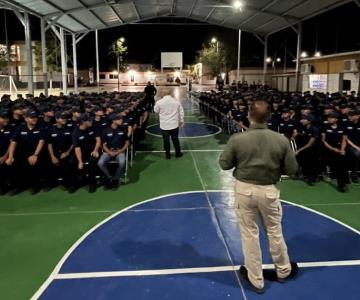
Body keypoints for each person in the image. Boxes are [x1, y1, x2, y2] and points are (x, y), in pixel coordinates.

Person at [219, 99, 299, 294]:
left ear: (249, 116)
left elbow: (224, 164)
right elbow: (293, 169)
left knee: (249, 234)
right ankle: (283, 270)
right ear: (269, 117)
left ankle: (256, 279)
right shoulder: (281, 139)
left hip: (244, 189)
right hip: (269, 190)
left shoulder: (238, 139)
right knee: (274, 230)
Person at [6, 110, 46, 194]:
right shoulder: (20, 128)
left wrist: (35, 155)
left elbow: (41, 141)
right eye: (32, 118)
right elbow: (13, 143)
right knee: (14, 165)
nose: (34, 119)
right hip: (22, 154)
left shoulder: (40, 127)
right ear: (26, 119)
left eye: (35, 117)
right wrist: (10, 156)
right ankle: (19, 186)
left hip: (36, 153)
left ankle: (35, 186)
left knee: (35, 164)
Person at [98, 113, 129, 189]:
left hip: (120, 151)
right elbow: (103, 145)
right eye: (119, 119)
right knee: (100, 163)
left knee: (122, 162)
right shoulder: (105, 130)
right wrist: (109, 152)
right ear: (113, 120)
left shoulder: (123, 129)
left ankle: (115, 179)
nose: (121, 120)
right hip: (108, 152)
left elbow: (127, 142)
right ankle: (108, 178)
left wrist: (120, 151)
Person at [72, 113, 101, 193]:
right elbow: (77, 148)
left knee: (91, 162)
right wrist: (80, 161)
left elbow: (98, 140)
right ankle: (77, 183)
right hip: (81, 152)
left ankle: (92, 183)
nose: (91, 121)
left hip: (92, 151)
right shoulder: (75, 132)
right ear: (83, 122)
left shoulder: (93, 127)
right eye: (89, 120)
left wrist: (95, 150)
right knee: (72, 162)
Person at [321, 112, 349, 192]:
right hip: (327, 148)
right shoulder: (325, 127)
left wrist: (342, 149)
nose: (328, 119)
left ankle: (342, 184)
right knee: (335, 162)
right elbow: (323, 140)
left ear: (336, 119)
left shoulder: (342, 128)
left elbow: (344, 139)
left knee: (343, 161)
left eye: (331, 118)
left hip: (339, 148)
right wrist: (333, 149)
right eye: (328, 117)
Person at [47, 111, 75, 189]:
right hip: (55, 153)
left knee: (70, 162)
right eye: (62, 118)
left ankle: (71, 183)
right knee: (48, 163)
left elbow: (73, 143)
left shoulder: (70, 128)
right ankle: (52, 183)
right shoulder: (51, 129)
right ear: (56, 119)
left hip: (68, 152)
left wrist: (67, 152)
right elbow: (49, 144)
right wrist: (52, 156)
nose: (64, 119)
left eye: (65, 118)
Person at [154, 89, 184, 159]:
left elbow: (155, 110)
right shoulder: (176, 101)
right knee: (175, 139)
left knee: (166, 140)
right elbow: (181, 111)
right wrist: (182, 121)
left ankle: (168, 155)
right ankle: (178, 153)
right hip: (174, 124)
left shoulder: (159, 102)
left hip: (164, 125)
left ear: (163, 94)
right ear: (170, 93)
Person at [345, 110, 360, 183]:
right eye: (348, 116)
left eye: (351, 116)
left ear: (357, 116)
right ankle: (354, 174)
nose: (349, 117)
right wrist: (356, 147)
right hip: (349, 146)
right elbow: (345, 138)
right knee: (356, 154)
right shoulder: (346, 124)